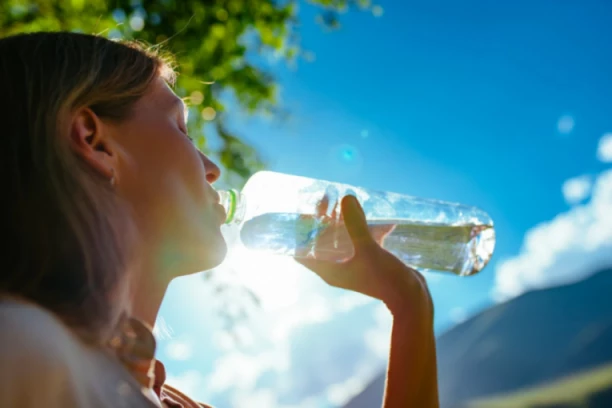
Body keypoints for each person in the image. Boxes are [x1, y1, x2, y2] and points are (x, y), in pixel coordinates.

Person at [0, 32, 438, 407]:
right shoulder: (23, 348)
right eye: (181, 129)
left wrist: (409, 303)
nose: (212, 168)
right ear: (96, 143)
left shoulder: (155, 395)